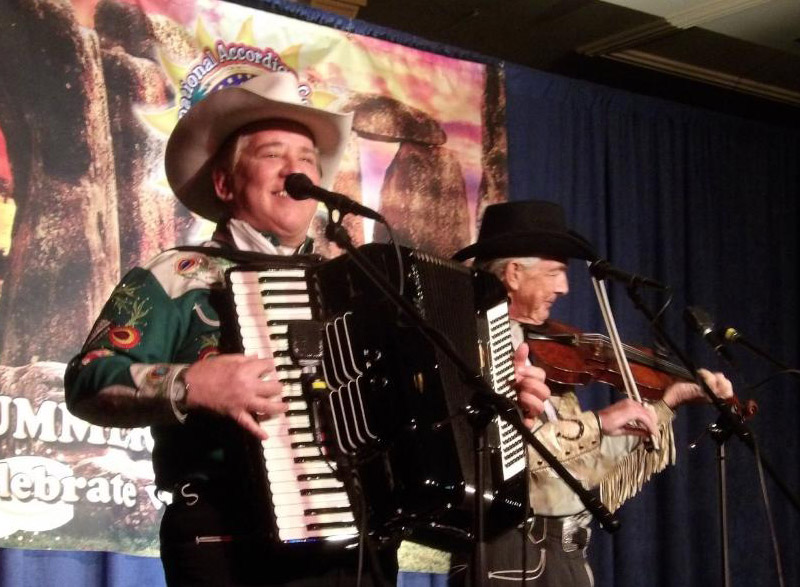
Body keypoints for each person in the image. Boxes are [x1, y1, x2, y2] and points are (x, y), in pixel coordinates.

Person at [64, 71, 549, 587]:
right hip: (231, 542)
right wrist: (191, 384)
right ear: (226, 183)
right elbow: (88, 379)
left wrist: (492, 402)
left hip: (361, 550)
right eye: (273, 154)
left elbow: (415, 409)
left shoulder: (361, 289)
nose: (294, 170)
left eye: (308, 159)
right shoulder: (182, 273)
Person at [450, 200, 733, 586]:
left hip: (566, 554)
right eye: (555, 273)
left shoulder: (549, 352)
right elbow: (507, 452)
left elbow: (577, 467)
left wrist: (668, 401)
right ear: (514, 273)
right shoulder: (477, 343)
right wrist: (600, 421)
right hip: (511, 553)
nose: (565, 288)